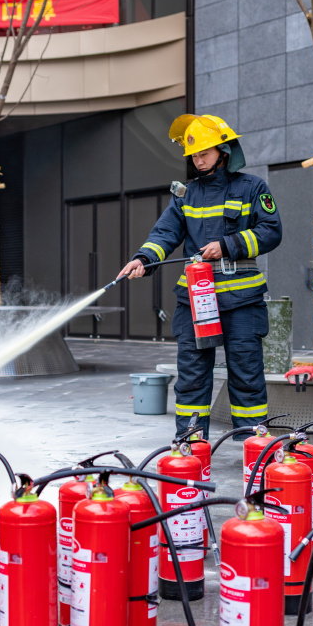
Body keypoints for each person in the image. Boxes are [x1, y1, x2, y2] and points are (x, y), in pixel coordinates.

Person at [117, 114, 282, 439]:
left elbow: (272, 231)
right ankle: (191, 448)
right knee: (191, 377)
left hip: (243, 301)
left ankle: (254, 450)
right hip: (196, 300)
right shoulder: (184, 195)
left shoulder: (252, 188)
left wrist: (228, 245)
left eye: (204, 152)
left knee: (247, 376)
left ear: (224, 150)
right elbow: (165, 233)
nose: (198, 159)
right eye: (194, 155)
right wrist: (143, 258)